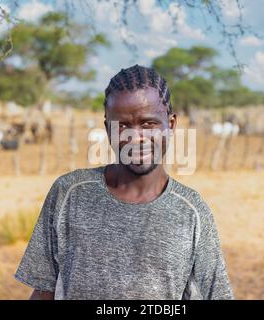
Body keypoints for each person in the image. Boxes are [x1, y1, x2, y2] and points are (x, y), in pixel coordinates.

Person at [14, 64, 234, 300]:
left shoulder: (191, 211)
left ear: (170, 125)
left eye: (149, 124)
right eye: (123, 126)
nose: (136, 137)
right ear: (108, 129)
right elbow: (43, 291)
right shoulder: (70, 194)